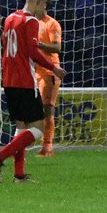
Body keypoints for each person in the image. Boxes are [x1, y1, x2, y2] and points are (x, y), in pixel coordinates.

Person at [0, 0, 67, 183]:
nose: (44, 9)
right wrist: (54, 67)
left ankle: (19, 175)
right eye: (44, 5)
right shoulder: (31, 21)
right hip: (24, 81)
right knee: (38, 128)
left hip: (9, 80)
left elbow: (5, 43)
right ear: (38, 2)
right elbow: (32, 51)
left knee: (21, 128)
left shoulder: (11, 18)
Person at [34, 8, 63, 157]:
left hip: (50, 71)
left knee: (47, 108)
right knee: (36, 110)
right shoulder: (33, 23)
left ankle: (47, 146)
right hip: (36, 71)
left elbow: (57, 47)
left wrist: (37, 44)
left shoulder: (52, 24)